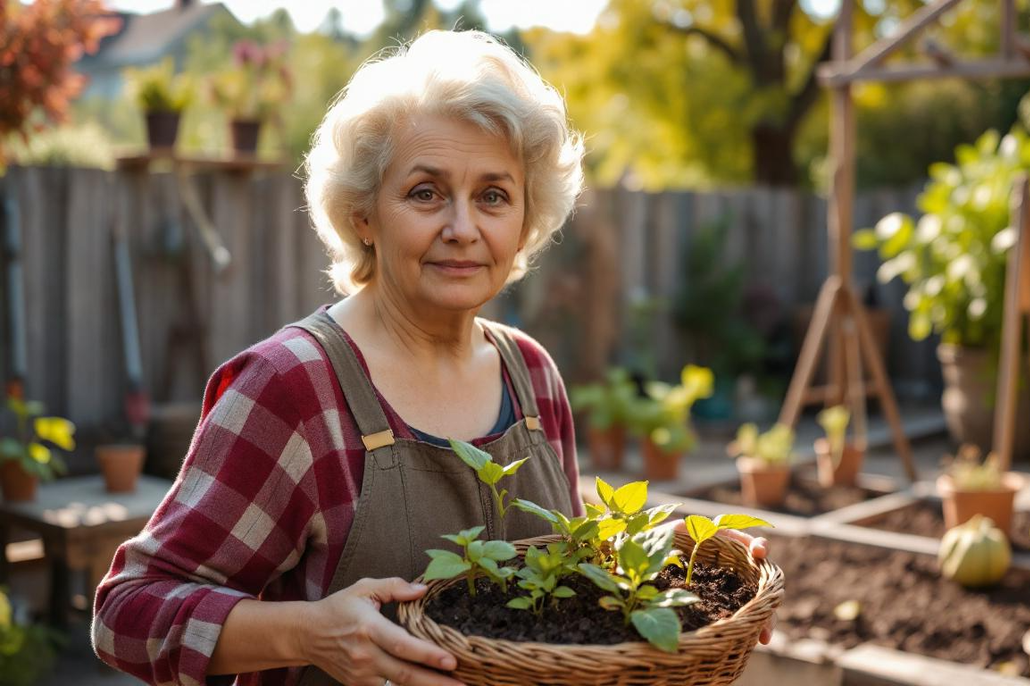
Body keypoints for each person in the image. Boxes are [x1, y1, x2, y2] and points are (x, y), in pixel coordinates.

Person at [92, 29, 769, 686]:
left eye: (493, 196)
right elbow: (127, 611)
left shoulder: (531, 375)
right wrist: (311, 633)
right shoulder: (294, 388)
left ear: (526, 219)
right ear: (364, 214)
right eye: (425, 192)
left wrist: (680, 569)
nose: (463, 228)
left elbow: (562, 581)